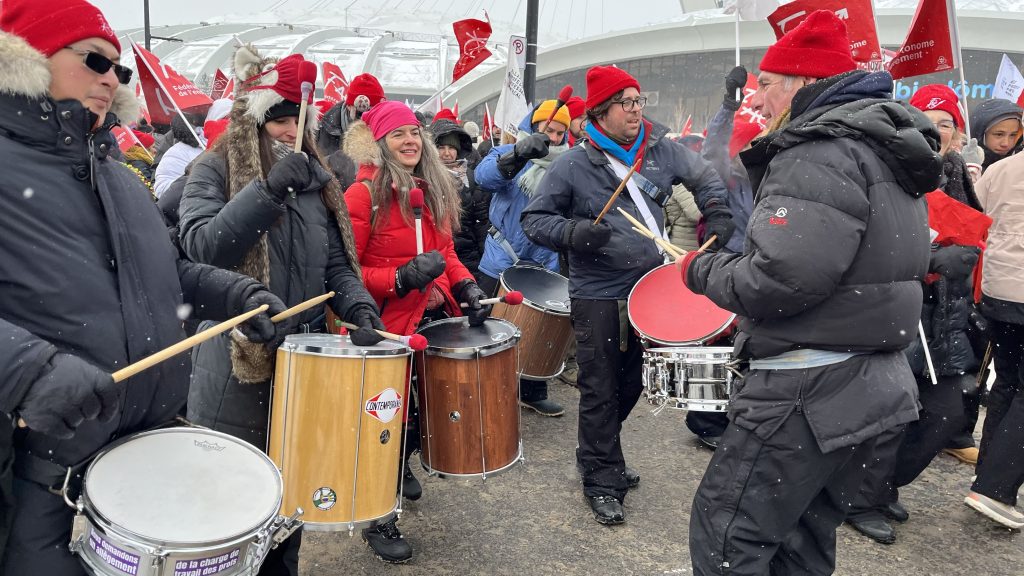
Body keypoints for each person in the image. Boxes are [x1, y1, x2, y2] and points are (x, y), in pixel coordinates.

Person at [0, 2, 293, 572]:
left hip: (139, 452)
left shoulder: (119, 176)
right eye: (93, 60)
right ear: (25, 61)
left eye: (120, 69)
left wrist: (235, 296)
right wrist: (29, 369)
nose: (111, 78)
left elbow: (164, 274)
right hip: (38, 473)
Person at [679, 11, 942, 574]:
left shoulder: (818, 151)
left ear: (801, 84)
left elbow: (780, 281)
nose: (760, 97)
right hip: (863, 379)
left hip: (807, 386)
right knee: (802, 537)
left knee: (729, 534)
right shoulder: (879, 146)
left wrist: (704, 272)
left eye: (768, 85)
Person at [178, 46, 384, 575]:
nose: (292, 129)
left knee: (287, 497)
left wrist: (358, 306)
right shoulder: (213, 167)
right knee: (229, 503)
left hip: (304, 362)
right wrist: (268, 189)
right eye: (280, 119)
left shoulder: (319, 180)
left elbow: (337, 264)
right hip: (234, 360)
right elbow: (204, 248)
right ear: (254, 119)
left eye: (300, 118)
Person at [521, 65, 732, 525]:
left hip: (650, 285)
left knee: (635, 379)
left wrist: (716, 210)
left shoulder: (659, 150)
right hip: (596, 290)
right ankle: (600, 477)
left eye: (639, 101)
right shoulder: (573, 164)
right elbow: (535, 220)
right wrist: (576, 233)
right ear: (601, 110)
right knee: (600, 384)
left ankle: (596, 450)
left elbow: (707, 178)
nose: (637, 109)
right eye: (627, 102)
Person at [343, 100, 490, 563]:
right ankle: (379, 517)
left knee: (420, 414)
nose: (409, 141)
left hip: (427, 320)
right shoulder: (362, 196)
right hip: (383, 329)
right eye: (397, 135)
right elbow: (346, 273)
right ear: (379, 144)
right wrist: (400, 278)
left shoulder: (433, 191)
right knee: (382, 421)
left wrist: (465, 286)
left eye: (414, 132)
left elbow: (444, 254)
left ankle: (401, 462)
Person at [845, 83, 985, 545]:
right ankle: (860, 497)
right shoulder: (890, 170)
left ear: (956, 133)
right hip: (898, 311)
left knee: (945, 411)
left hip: (947, 315)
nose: (937, 130)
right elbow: (873, 242)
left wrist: (964, 257)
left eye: (945, 122)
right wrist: (926, 261)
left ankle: (882, 483)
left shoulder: (959, 175)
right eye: (928, 119)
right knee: (890, 412)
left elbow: (974, 235)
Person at [476, 99, 574, 417]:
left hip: (543, 259)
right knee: (488, 325)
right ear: (532, 127)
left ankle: (532, 389)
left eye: (561, 132)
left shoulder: (571, 164)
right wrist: (518, 155)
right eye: (549, 130)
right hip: (500, 256)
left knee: (537, 332)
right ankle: (485, 387)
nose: (554, 137)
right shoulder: (505, 153)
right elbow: (485, 177)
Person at [963, 143, 1024, 529]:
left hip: (999, 289)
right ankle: (995, 487)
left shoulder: (1003, 168)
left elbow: (975, 212)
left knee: (1007, 382)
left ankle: (987, 476)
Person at [432, 119, 490, 285]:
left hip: (467, 257)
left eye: (451, 148)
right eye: (441, 147)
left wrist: (483, 258)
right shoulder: (422, 179)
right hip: (436, 257)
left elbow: (481, 223)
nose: (447, 153)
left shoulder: (471, 178)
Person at [316, 73, 386, 187]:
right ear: (348, 106)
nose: (364, 118)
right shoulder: (326, 128)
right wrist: (332, 162)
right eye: (359, 112)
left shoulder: (393, 129)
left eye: (372, 111)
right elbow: (314, 167)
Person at [969, 98, 1023, 172]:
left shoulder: (1020, 164)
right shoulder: (959, 166)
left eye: (1013, 135)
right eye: (999, 134)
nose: (1005, 143)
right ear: (980, 133)